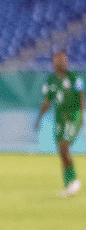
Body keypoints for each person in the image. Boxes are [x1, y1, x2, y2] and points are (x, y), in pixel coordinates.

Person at [34, 50, 83, 197]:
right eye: (57, 60)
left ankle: (74, 181)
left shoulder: (74, 78)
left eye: (63, 60)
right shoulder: (50, 81)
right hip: (59, 119)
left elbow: (81, 96)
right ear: (53, 62)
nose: (60, 62)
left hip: (73, 117)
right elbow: (46, 102)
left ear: (66, 62)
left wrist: (81, 116)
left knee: (63, 148)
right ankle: (69, 185)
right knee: (61, 152)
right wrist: (38, 119)